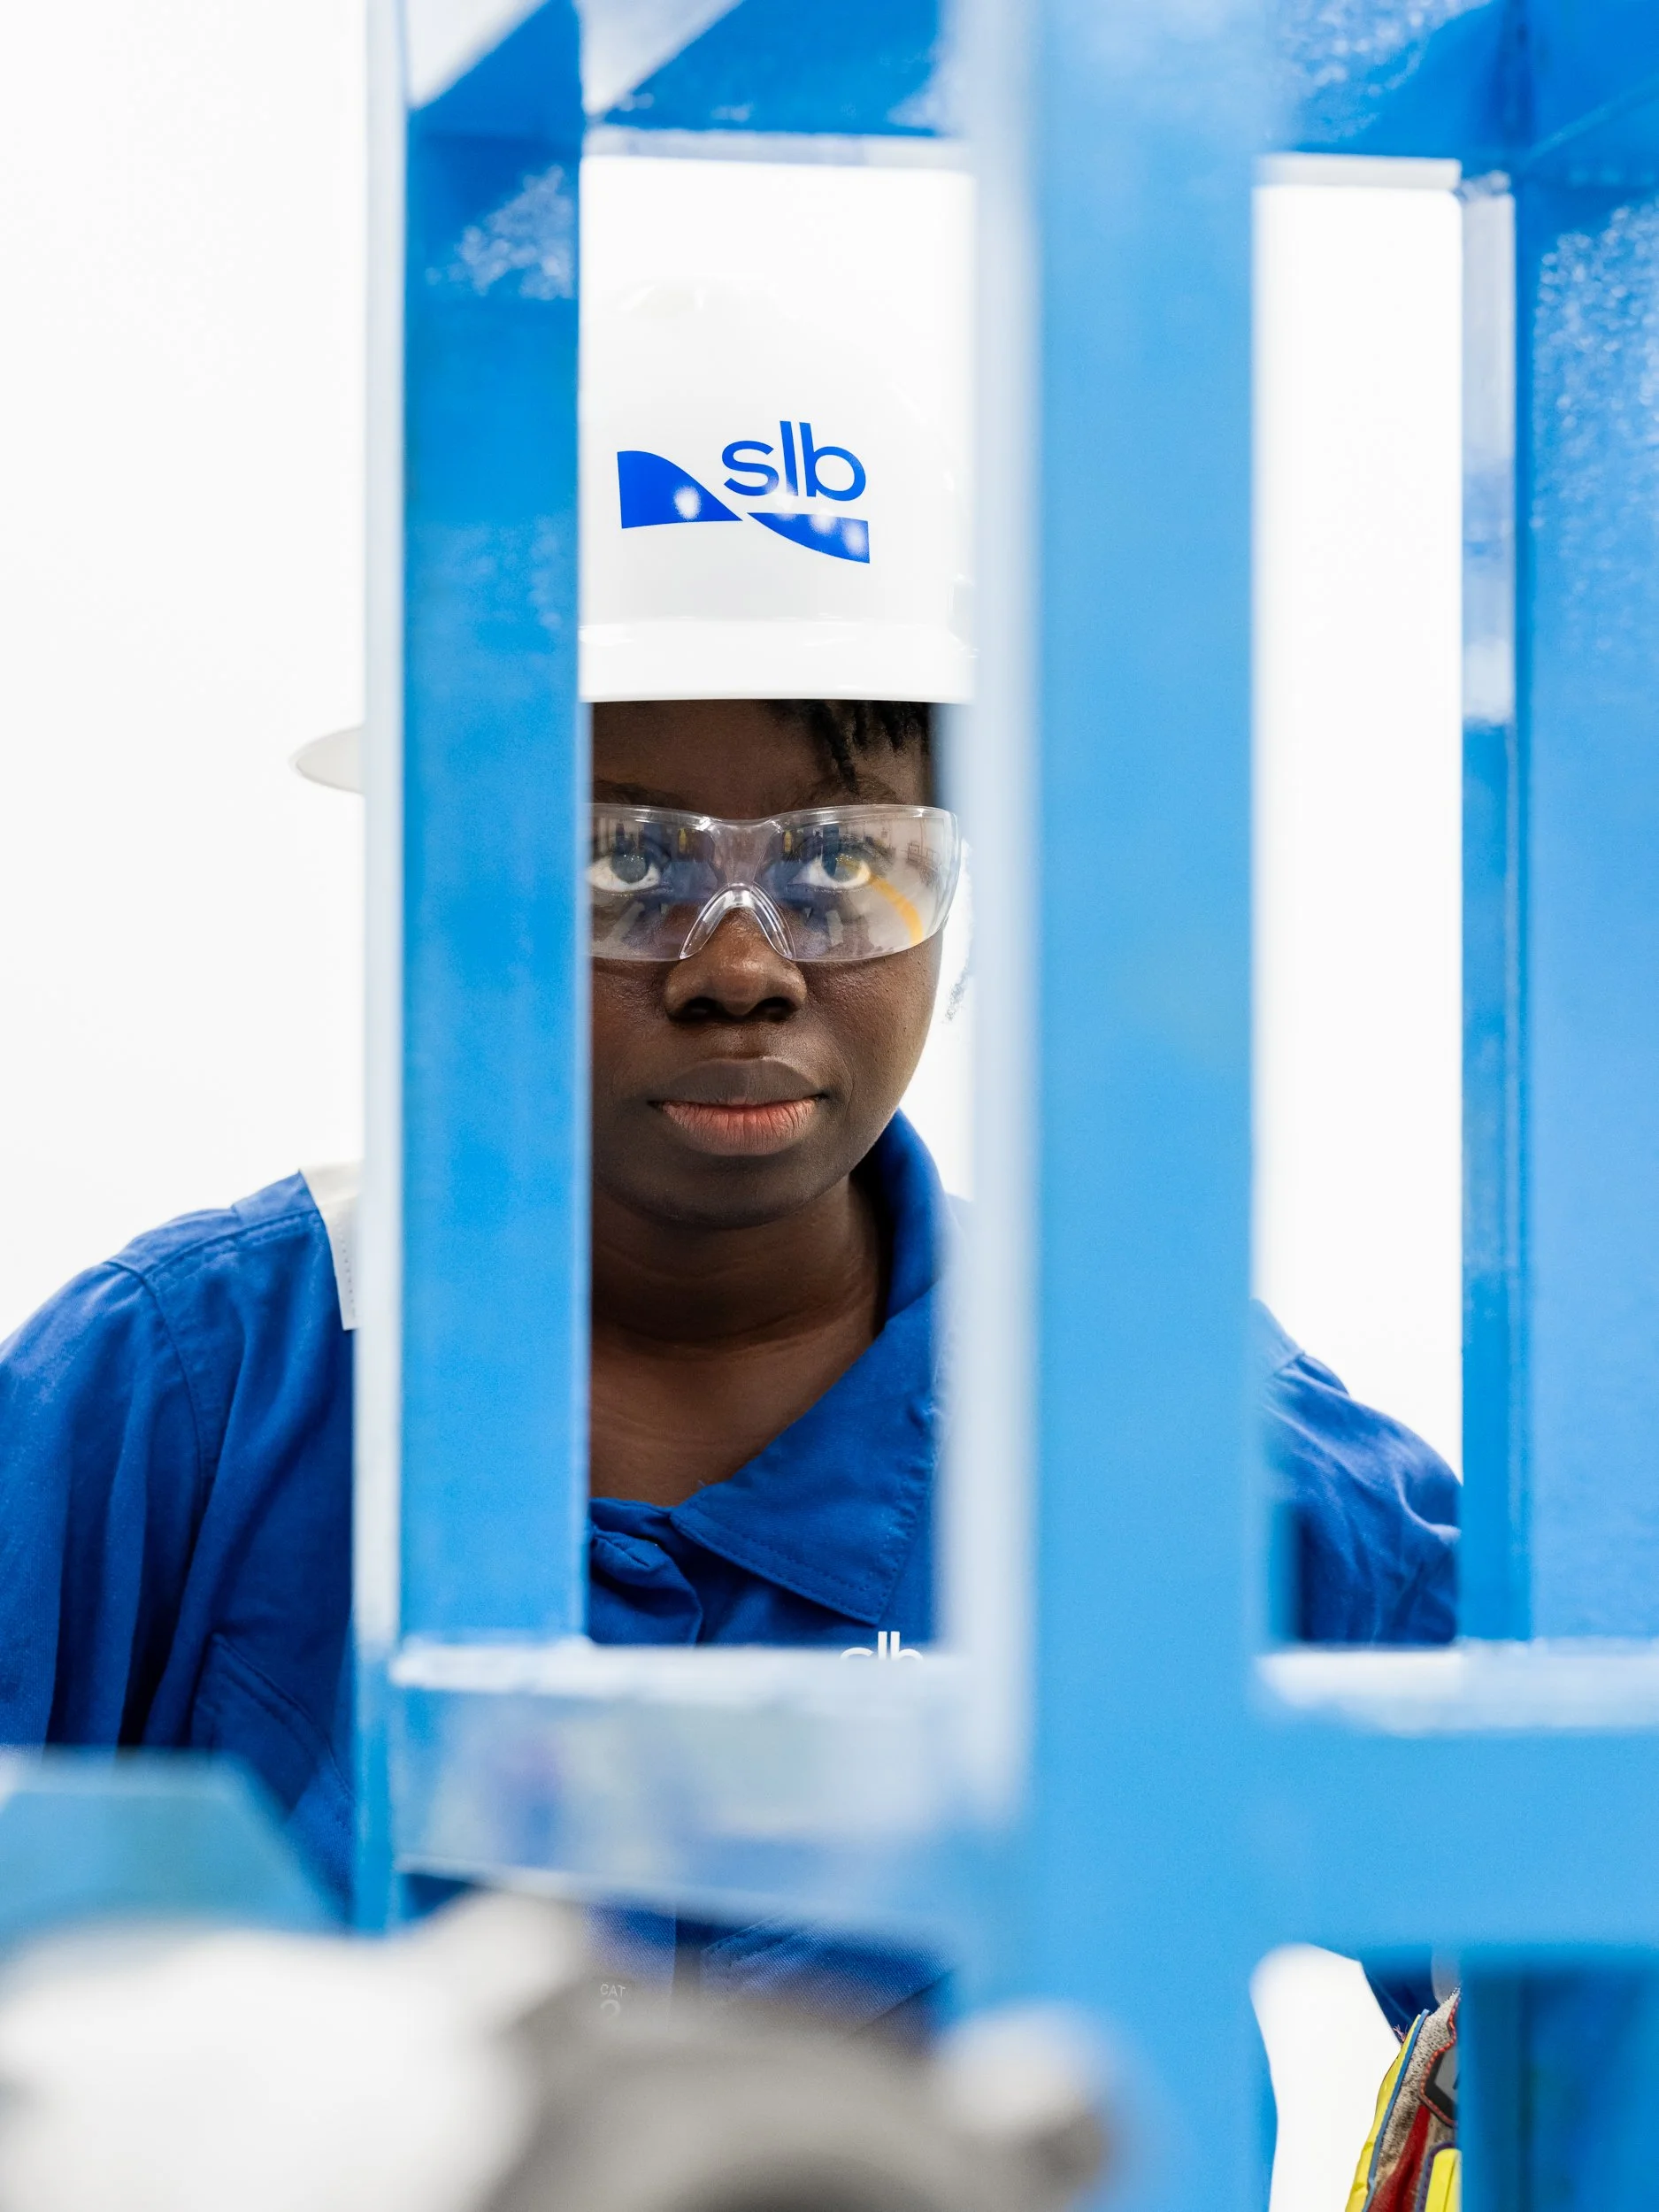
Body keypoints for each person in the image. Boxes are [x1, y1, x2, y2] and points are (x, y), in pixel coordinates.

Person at [0, 156, 1457, 2033]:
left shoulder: (1168, 1438)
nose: (743, 963)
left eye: (847, 863)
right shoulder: (180, 1409)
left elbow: (1568, 1984)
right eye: (623, 866)